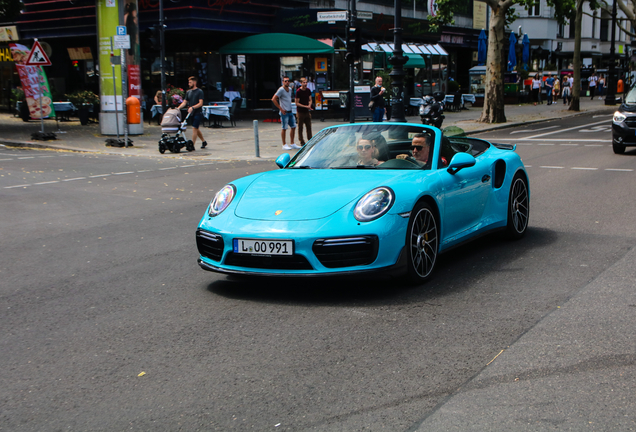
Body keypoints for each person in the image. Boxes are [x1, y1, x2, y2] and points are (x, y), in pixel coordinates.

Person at [178, 76, 207, 149]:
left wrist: (193, 107)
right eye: (188, 82)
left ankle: (192, 145)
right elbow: (184, 102)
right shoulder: (188, 92)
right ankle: (204, 141)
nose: (189, 84)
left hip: (198, 112)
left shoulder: (199, 91)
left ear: (194, 82)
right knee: (196, 128)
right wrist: (178, 108)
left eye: (190, 82)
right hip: (191, 113)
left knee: (194, 128)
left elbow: (200, 103)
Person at [272, 76, 300, 150]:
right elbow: (274, 99)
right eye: (285, 81)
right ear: (283, 82)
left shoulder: (290, 89)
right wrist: (280, 108)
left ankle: (292, 143)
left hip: (290, 110)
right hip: (284, 112)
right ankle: (284, 144)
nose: (287, 82)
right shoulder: (281, 90)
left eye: (288, 81)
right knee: (284, 128)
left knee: (293, 127)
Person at [295, 77, 313, 146]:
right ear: (301, 83)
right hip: (300, 112)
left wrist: (309, 105)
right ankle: (301, 141)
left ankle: (310, 139)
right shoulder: (298, 91)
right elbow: (297, 103)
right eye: (304, 82)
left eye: (306, 82)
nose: (305, 84)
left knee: (309, 126)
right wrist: (305, 106)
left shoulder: (308, 90)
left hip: (307, 111)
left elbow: (310, 99)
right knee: (300, 127)